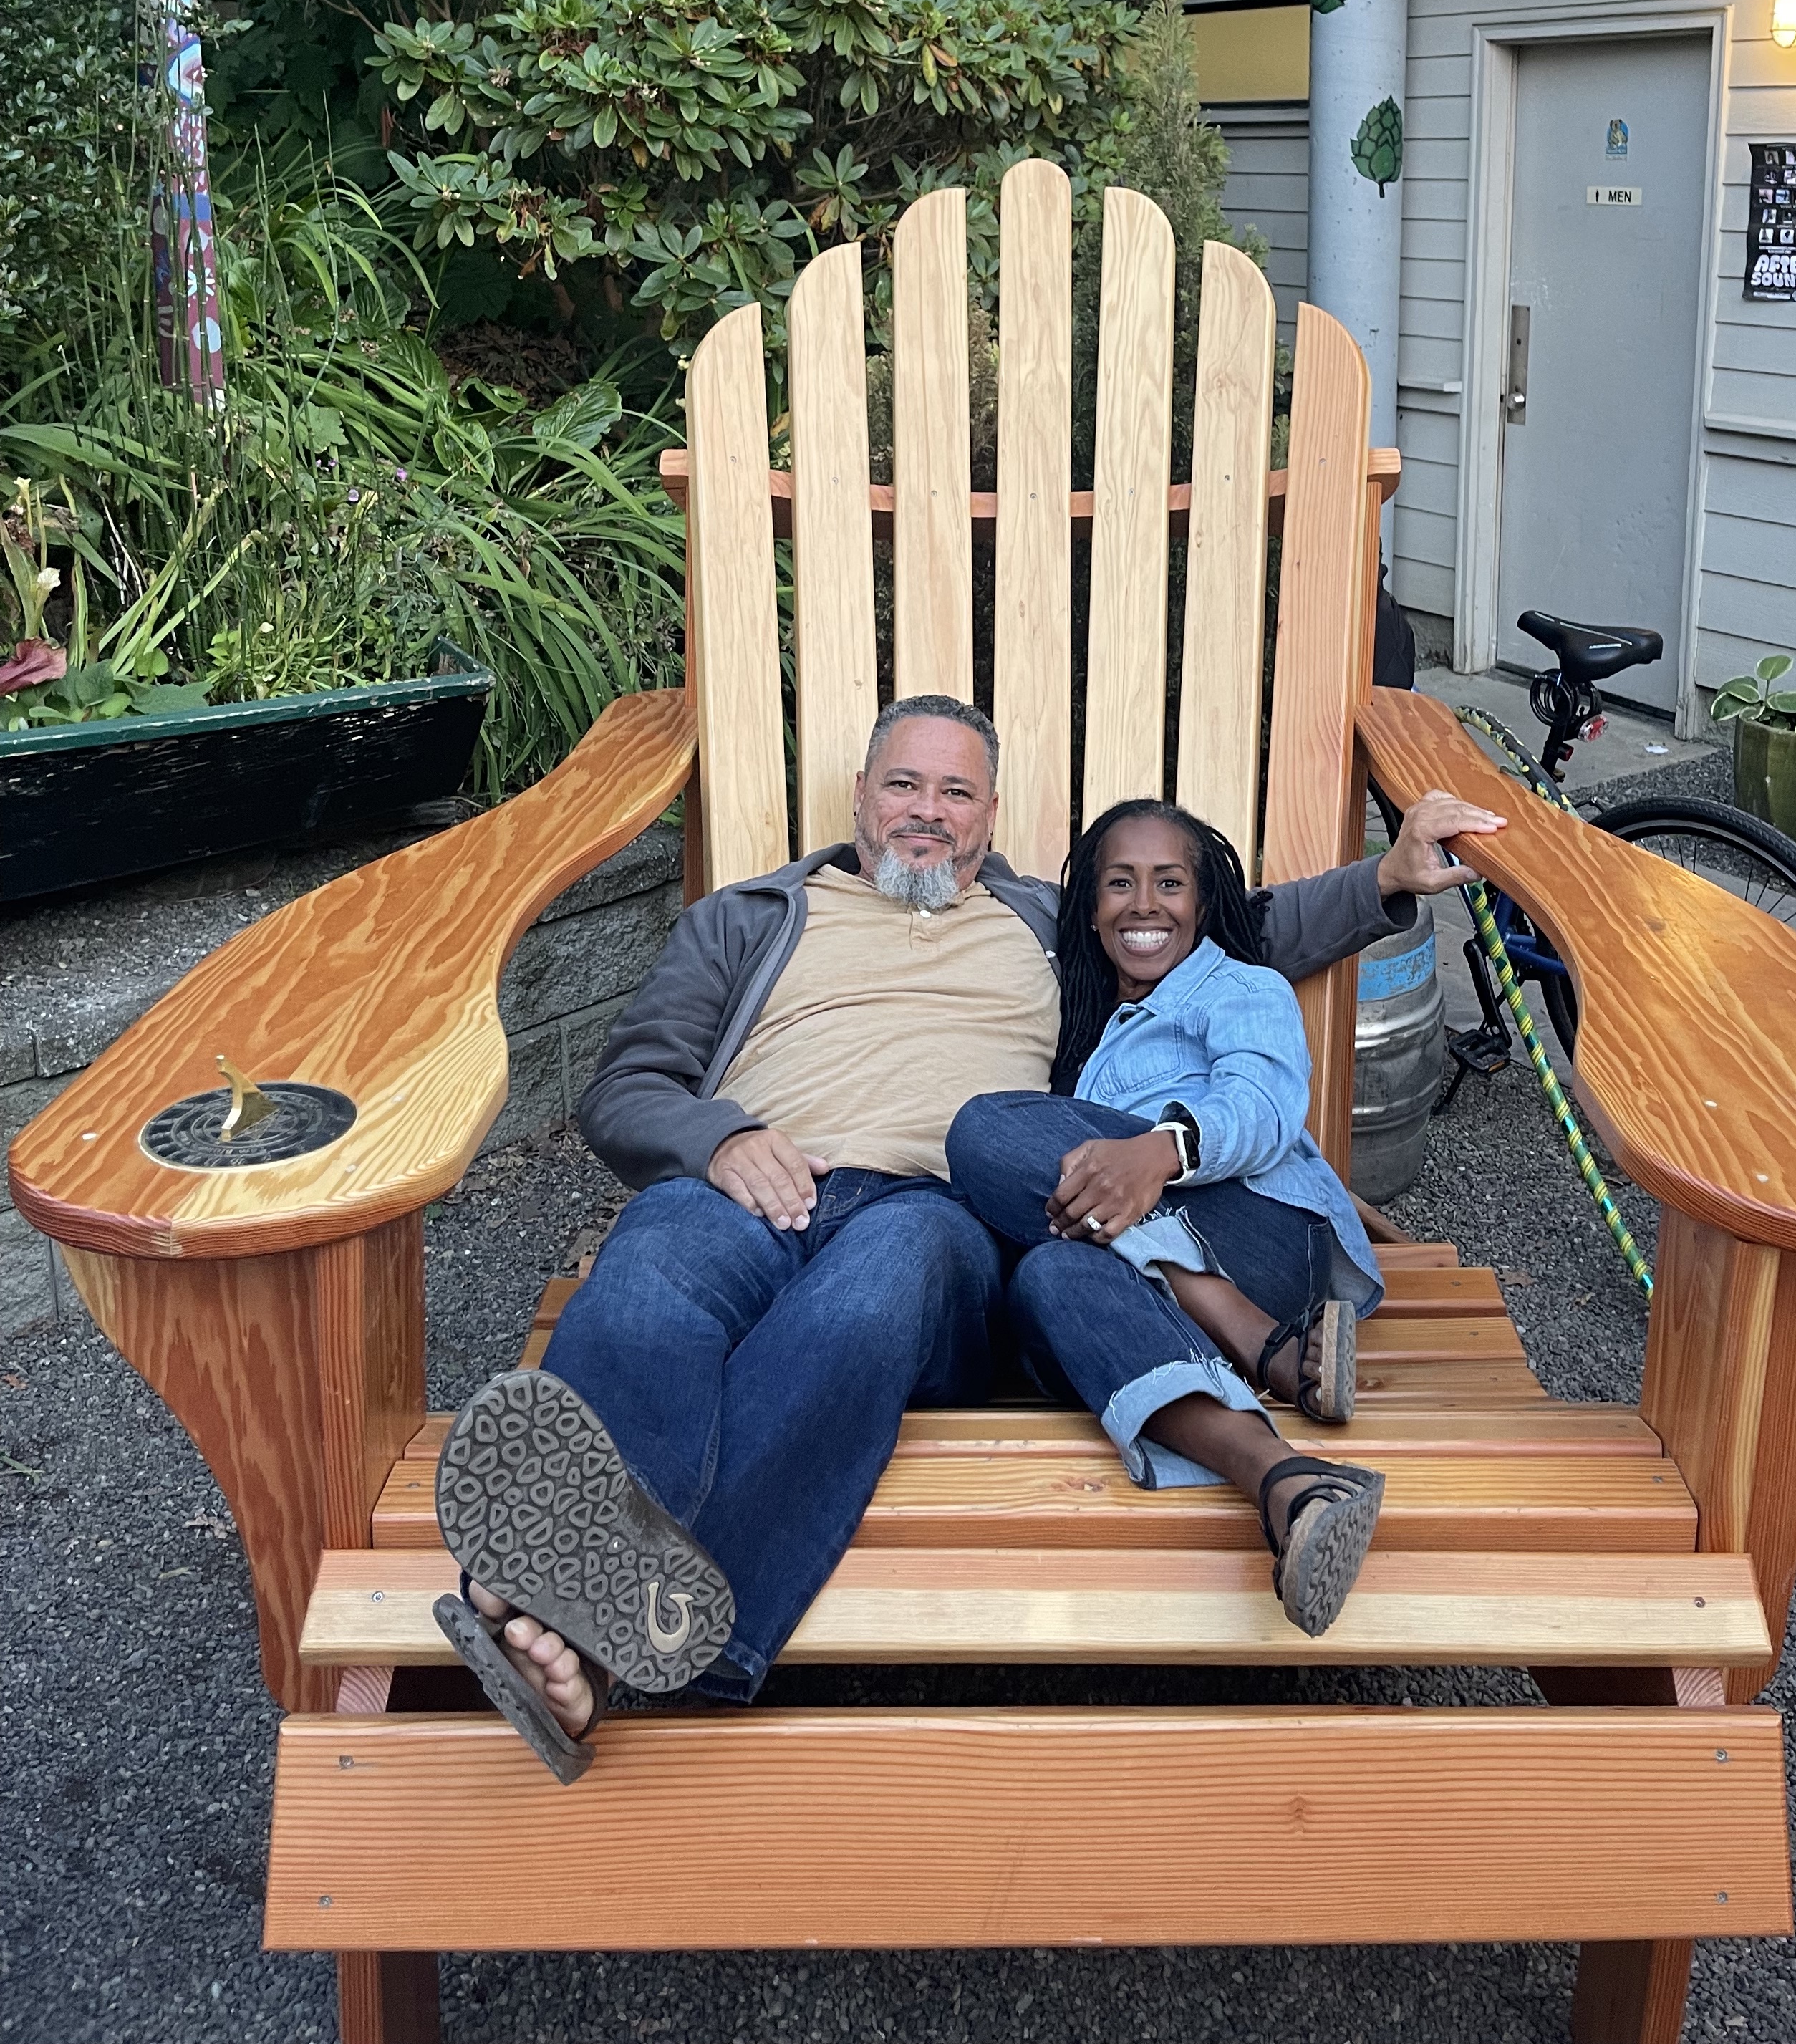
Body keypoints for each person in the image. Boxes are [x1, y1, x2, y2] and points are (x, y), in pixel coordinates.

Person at [429, 690, 1506, 1778]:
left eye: (956, 792)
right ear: (861, 796)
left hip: (936, 1218)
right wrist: (720, 1140)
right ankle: (577, 1624)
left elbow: (1217, 921)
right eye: (904, 783)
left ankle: (609, 1638)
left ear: (991, 817)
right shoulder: (748, 918)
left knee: (874, 1287)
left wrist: (1387, 875)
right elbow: (625, 1088)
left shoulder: (1050, 923)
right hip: (750, 1193)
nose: (927, 811)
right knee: (651, 1259)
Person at [945, 799, 1404, 1635]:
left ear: (1203, 899)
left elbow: (1263, 1104)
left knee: (983, 1129)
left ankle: (1247, 1326)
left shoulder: (1240, 988)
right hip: (1164, 1303)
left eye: (1169, 883)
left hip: (1261, 1238)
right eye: (1120, 884)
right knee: (1048, 1274)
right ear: (1091, 908)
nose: (1144, 905)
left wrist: (1161, 1151)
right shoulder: (1085, 1034)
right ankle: (1287, 1481)